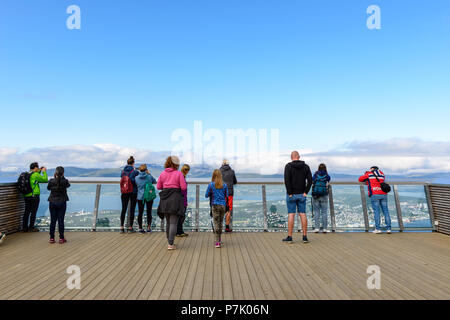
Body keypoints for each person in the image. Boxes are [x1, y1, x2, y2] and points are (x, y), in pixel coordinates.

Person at [157, 156, 187, 250]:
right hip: (175, 199)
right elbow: (183, 187)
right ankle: (171, 243)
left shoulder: (162, 174)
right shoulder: (179, 174)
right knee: (173, 222)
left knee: (168, 222)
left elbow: (158, 187)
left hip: (165, 199)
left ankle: (169, 241)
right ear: (176, 164)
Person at [283, 151, 313, 243]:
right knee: (303, 214)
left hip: (291, 194)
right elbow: (310, 180)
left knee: (291, 215)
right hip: (302, 194)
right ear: (299, 157)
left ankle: (290, 237)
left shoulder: (288, 166)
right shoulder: (306, 167)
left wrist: (290, 193)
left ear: (291, 157)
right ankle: (304, 237)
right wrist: (305, 192)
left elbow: (286, 180)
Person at [359, 166, 392, 234]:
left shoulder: (369, 174)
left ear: (372, 169)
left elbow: (360, 179)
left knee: (377, 212)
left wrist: (367, 173)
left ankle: (378, 228)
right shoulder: (382, 174)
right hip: (384, 194)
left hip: (375, 194)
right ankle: (388, 228)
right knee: (386, 211)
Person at [205, 169, 228, 248]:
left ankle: (217, 242)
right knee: (221, 222)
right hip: (223, 205)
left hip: (214, 205)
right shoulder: (224, 185)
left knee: (216, 222)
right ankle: (219, 239)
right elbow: (227, 195)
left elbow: (206, 195)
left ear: (213, 176)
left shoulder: (211, 185)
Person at [47, 166, 70, 244]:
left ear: (55, 173)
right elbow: (68, 185)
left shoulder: (51, 181)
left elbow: (48, 188)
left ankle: (52, 238)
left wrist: (55, 177)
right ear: (63, 173)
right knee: (61, 220)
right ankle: (61, 238)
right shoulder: (65, 181)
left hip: (52, 202)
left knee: (53, 220)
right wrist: (62, 177)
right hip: (62, 202)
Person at [23, 162, 48, 232]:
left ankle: (24, 227)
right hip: (34, 196)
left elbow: (36, 176)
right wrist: (44, 172)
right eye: (38, 167)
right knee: (33, 212)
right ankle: (31, 227)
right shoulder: (35, 175)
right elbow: (45, 179)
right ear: (36, 168)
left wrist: (39, 170)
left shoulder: (27, 174)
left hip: (26, 195)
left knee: (26, 212)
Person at [135, 164, 157, 234]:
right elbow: (154, 181)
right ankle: (148, 228)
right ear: (146, 170)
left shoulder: (137, 178)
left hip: (140, 197)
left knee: (140, 213)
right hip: (149, 196)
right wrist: (149, 173)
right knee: (149, 212)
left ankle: (140, 228)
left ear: (139, 170)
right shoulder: (149, 177)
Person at [119, 156, 139, 234]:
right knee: (132, 210)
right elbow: (135, 180)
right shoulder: (135, 172)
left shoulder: (123, 171)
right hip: (133, 192)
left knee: (123, 209)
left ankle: (121, 227)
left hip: (124, 192)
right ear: (133, 163)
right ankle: (130, 227)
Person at [312, 164, 331, 233]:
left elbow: (312, 180)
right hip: (324, 195)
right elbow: (329, 180)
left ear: (318, 168)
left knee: (316, 212)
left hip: (316, 195)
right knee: (324, 212)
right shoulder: (326, 175)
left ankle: (317, 228)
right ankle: (324, 228)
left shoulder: (316, 175)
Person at [220, 160, 237, 233]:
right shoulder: (232, 171)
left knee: (221, 209)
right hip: (229, 193)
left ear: (222, 164)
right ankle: (227, 227)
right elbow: (235, 182)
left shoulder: (219, 171)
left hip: (221, 192)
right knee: (229, 209)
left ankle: (219, 226)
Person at [176, 164, 190, 237]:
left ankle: (179, 231)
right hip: (182, 199)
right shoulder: (182, 177)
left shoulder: (179, 176)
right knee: (181, 216)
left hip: (180, 198)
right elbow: (183, 189)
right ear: (186, 170)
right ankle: (179, 231)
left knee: (180, 216)